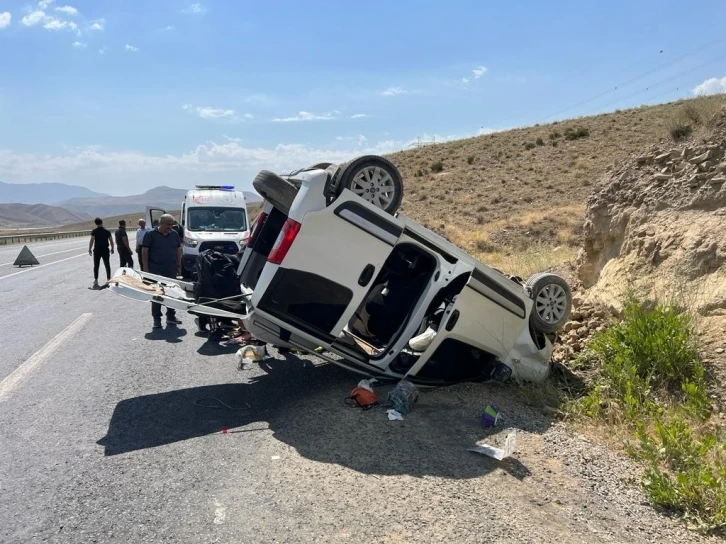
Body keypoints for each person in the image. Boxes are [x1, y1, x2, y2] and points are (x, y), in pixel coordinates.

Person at [142, 213, 183, 329]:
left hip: (171, 269)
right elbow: (144, 252)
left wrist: (179, 266)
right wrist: (145, 269)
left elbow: (178, 251)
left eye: (172, 224)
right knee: (156, 295)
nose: (170, 226)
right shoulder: (150, 234)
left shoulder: (174, 234)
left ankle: (171, 317)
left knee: (171, 294)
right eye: (168, 224)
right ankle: (157, 319)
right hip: (155, 269)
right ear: (160, 223)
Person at [88, 217, 115, 289]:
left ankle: (96, 279)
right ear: (102, 222)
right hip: (105, 250)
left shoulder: (94, 231)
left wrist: (89, 249)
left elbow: (92, 240)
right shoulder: (107, 231)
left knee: (96, 265)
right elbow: (111, 241)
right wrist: (112, 248)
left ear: (95, 223)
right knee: (107, 264)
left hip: (97, 250)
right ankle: (108, 279)